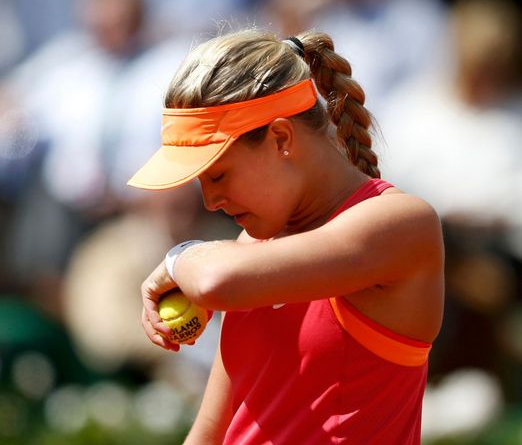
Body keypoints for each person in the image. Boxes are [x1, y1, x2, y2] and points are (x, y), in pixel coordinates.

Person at [128, 29, 445, 444]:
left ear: (280, 138)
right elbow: (209, 434)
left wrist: (179, 258)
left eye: (219, 174)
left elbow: (214, 281)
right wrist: (191, 262)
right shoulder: (250, 249)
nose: (210, 202)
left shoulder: (402, 224)